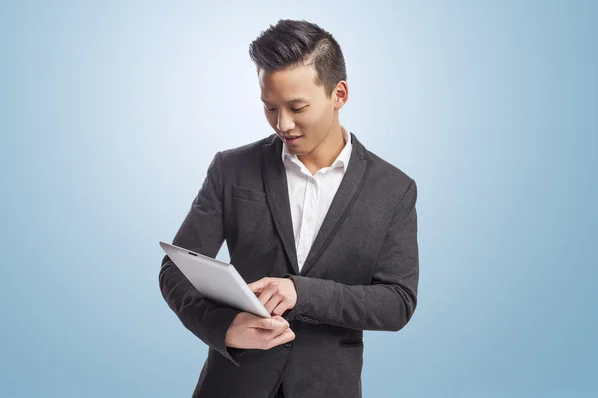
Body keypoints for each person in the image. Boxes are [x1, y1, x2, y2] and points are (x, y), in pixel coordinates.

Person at [159, 19, 419, 398]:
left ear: (339, 94)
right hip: (232, 383)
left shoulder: (393, 189)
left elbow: (397, 302)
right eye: (270, 108)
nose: (283, 124)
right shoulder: (231, 168)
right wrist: (224, 328)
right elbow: (177, 269)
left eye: (297, 107)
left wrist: (303, 292)